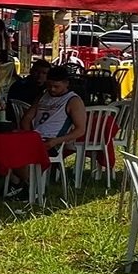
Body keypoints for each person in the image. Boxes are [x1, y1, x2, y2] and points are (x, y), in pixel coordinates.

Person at [9, 66, 86, 198]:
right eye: (49, 85)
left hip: (52, 141)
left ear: (66, 84)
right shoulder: (43, 95)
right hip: (35, 137)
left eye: (56, 86)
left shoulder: (73, 101)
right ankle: (24, 183)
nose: (52, 89)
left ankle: (30, 185)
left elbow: (80, 130)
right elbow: (26, 119)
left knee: (19, 152)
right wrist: (28, 134)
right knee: (7, 148)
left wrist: (57, 141)